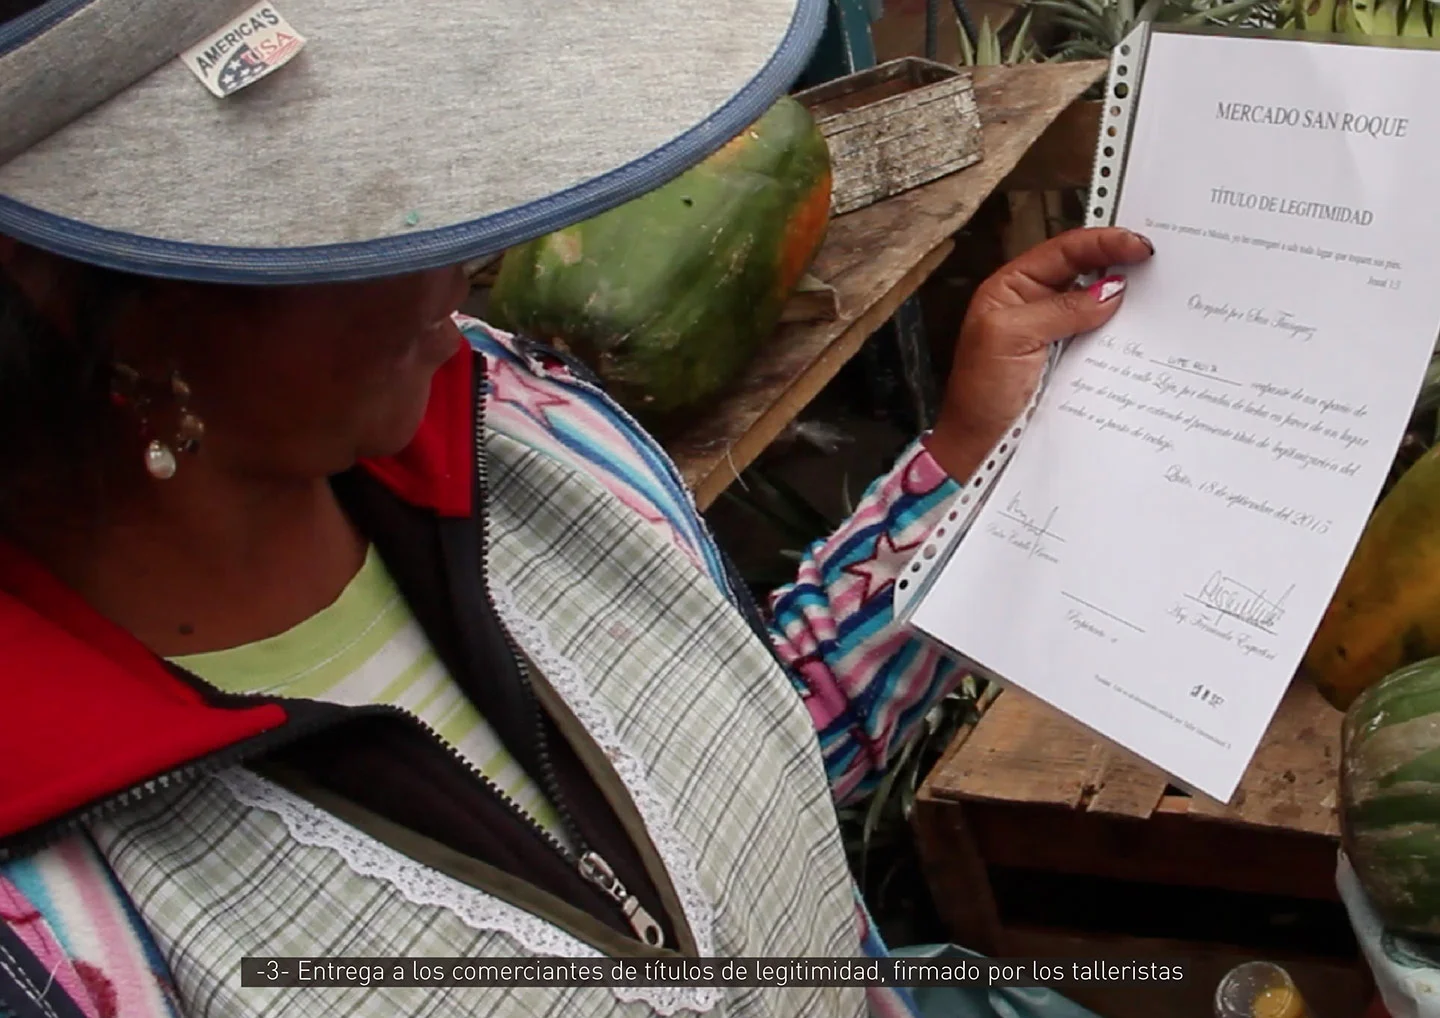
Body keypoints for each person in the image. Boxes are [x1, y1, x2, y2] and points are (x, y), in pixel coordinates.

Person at [0, 1, 1153, 1016]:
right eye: (358, 201)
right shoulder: (54, 934)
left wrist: (963, 461)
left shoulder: (525, 420)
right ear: (70, 291)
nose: (467, 253)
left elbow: (755, 752)